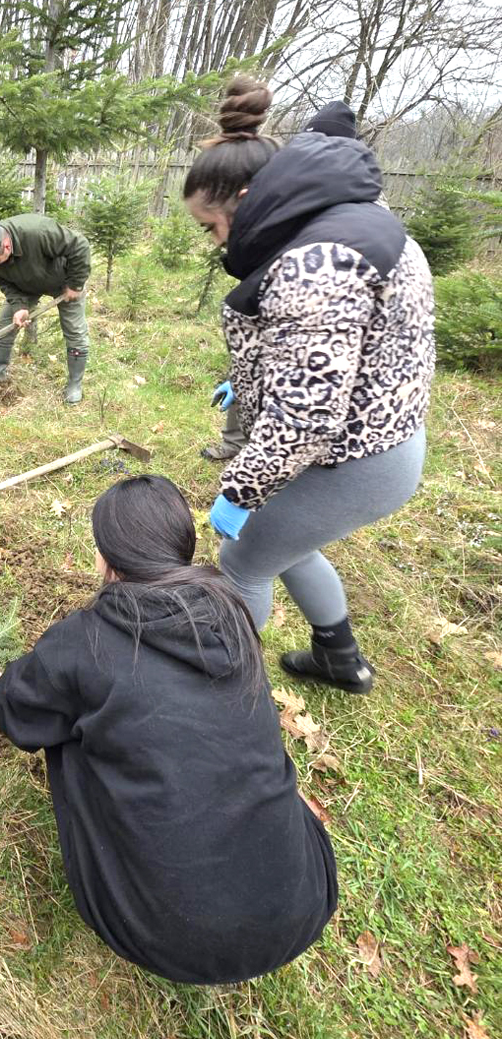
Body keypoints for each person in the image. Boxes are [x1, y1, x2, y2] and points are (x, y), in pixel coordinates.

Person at [0, 474, 337, 985]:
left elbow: (16, 713)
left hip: (167, 936)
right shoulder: (230, 612)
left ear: (107, 558)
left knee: (65, 728)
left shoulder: (85, 641)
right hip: (302, 901)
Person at [185, 76, 435, 693]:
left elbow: (306, 417)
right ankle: (339, 659)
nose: (217, 242)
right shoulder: (348, 222)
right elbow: (333, 349)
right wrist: (244, 382)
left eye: (211, 226)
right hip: (383, 440)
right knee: (287, 545)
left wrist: (240, 492)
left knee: (243, 560)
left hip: (351, 457)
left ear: (246, 200)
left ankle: (221, 698)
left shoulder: (316, 261)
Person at [199, 101, 364, 465]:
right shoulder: (287, 191)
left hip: (327, 411)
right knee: (250, 374)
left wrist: (249, 484)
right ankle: (236, 442)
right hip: (269, 321)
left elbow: (309, 397)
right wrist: (242, 376)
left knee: (287, 399)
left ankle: (263, 457)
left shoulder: (348, 212)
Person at [0, 211, 91, 403]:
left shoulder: (38, 231)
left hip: (63, 279)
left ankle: (75, 384)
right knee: (5, 325)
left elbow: (80, 245)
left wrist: (75, 284)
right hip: (24, 286)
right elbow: (3, 282)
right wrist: (19, 305)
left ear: (6, 245)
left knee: (74, 330)